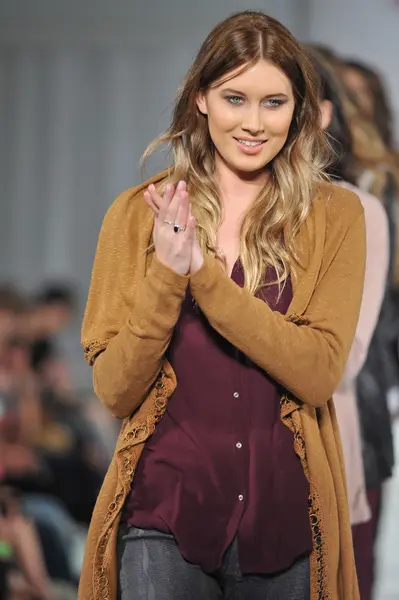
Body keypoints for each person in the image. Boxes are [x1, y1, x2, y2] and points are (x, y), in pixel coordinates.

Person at [79, 11, 366, 600]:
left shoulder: (336, 216)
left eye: (274, 103)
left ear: (300, 111)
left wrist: (201, 274)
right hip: (165, 511)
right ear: (202, 98)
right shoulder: (135, 216)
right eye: (235, 98)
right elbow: (114, 389)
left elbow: (317, 372)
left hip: (286, 520)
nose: (254, 123)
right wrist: (165, 272)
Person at [307, 47, 390, 528]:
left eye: (278, 102)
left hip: (321, 443)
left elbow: (341, 358)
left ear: (322, 114)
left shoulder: (357, 209)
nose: (255, 122)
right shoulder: (213, 204)